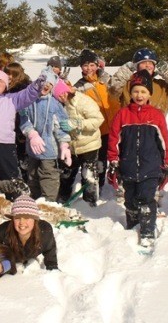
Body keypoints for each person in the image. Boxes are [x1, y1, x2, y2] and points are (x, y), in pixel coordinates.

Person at [107, 70, 168, 247]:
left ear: (149, 93)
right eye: (135, 91)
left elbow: (164, 141)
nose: (139, 95)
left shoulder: (156, 115)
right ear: (130, 93)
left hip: (150, 167)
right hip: (127, 166)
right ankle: (132, 226)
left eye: (143, 91)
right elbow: (114, 139)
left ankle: (147, 230)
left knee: (147, 199)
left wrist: (166, 163)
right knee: (130, 200)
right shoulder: (123, 114)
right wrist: (113, 161)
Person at [20, 71, 72, 202]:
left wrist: (64, 145)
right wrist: (31, 134)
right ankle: (35, 201)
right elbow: (24, 120)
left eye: (50, 84)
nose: (46, 86)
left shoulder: (55, 104)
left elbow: (60, 126)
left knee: (48, 176)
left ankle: (49, 203)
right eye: (44, 82)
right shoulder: (29, 101)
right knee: (32, 176)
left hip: (49, 150)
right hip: (32, 150)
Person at [74, 49, 121, 190]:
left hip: (115, 126)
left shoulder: (106, 79)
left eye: (92, 65)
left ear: (98, 65)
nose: (89, 68)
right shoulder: (79, 86)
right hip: (97, 130)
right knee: (99, 162)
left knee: (118, 158)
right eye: (85, 65)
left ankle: (120, 184)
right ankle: (97, 187)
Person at [54, 79, 104, 206]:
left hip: (89, 144)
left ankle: (90, 202)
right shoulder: (59, 105)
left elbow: (98, 119)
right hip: (70, 146)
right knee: (66, 173)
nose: (61, 97)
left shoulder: (83, 101)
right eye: (57, 96)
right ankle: (63, 199)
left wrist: (78, 124)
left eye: (62, 93)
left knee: (89, 175)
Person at [108, 47, 168, 116]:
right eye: (143, 63)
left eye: (150, 63)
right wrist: (126, 70)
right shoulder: (126, 85)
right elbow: (112, 90)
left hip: (155, 130)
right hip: (130, 130)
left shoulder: (162, 86)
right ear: (136, 66)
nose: (147, 65)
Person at [0, 194, 58, 270]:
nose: (22, 222)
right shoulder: (3, 232)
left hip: (31, 254)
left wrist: (52, 266)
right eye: (17, 218)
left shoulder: (44, 231)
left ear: (34, 220)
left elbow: (49, 249)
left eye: (27, 218)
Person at [4, 62, 32, 185]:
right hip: (7, 128)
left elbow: (25, 112)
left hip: (21, 128)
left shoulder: (23, 88)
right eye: (7, 73)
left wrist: (21, 131)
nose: (9, 76)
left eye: (12, 74)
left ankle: (24, 184)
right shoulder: (4, 87)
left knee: (22, 159)